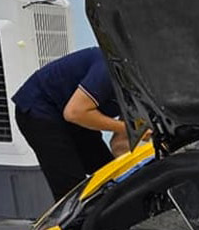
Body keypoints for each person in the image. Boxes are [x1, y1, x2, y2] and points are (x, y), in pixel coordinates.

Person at [13, 47, 129, 200]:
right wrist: (127, 128)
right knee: (72, 191)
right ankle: (76, 223)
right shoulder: (109, 67)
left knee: (108, 176)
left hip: (72, 111)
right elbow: (74, 112)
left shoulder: (145, 91)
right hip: (40, 108)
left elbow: (120, 143)